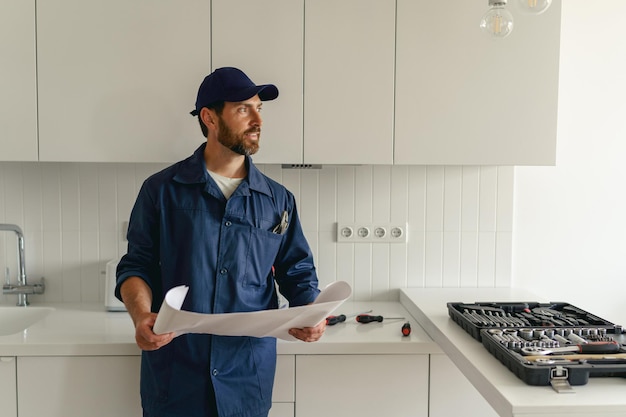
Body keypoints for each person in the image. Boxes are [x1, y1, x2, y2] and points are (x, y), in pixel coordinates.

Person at [116, 67, 326, 417]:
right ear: (209, 117)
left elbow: (297, 270)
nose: (258, 119)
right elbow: (136, 265)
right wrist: (140, 316)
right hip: (176, 375)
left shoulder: (277, 199)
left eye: (260, 108)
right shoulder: (161, 191)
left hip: (247, 376)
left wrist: (312, 312)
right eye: (244, 108)